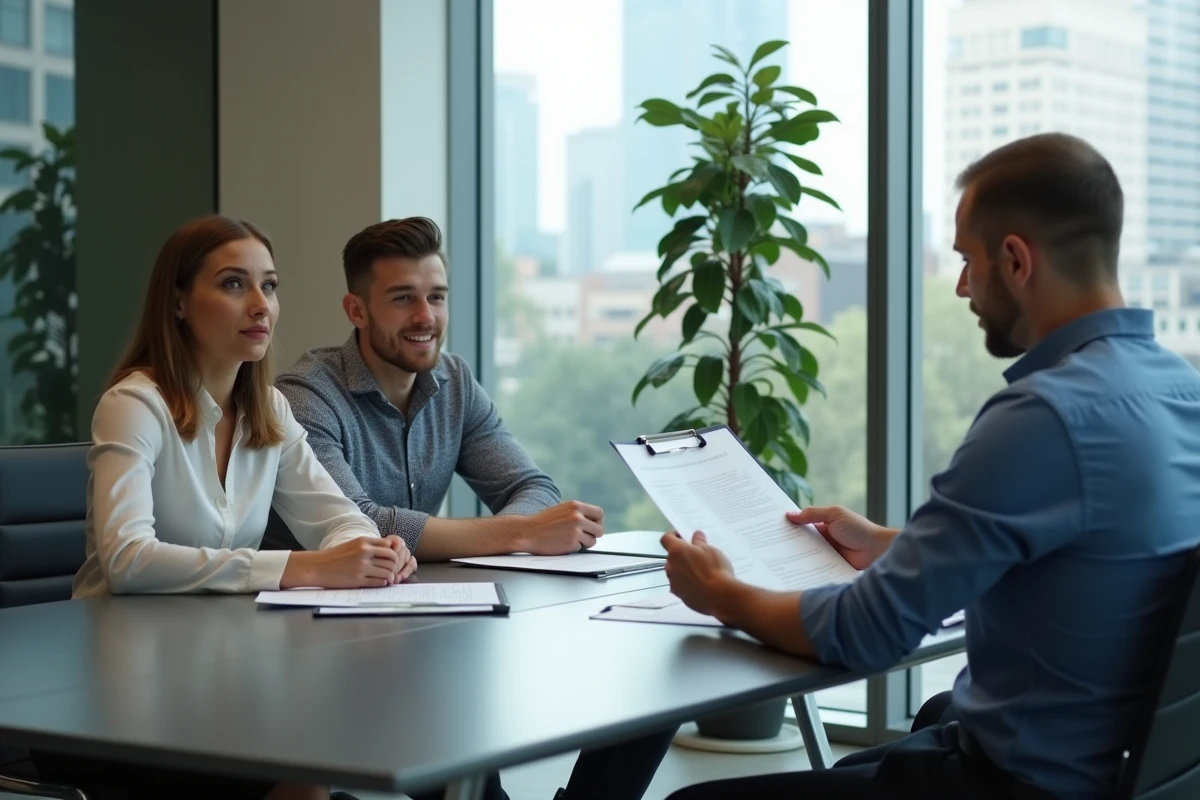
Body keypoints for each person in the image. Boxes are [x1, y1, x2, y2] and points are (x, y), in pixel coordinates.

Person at [659, 132, 1200, 799]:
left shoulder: (1044, 418)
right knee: (921, 727)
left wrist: (720, 594)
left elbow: (868, 634)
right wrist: (896, 546)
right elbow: (1090, 557)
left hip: (1014, 784)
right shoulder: (1178, 388)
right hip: (1112, 770)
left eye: (969, 261)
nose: (964, 287)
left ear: (1016, 259)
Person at [266, 217, 675, 800]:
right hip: (321, 649)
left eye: (436, 297)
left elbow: (531, 486)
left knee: (646, 681)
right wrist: (522, 533)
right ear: (356, 311)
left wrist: (528, 528)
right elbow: (361, 526)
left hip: (422, 629)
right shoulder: (307, 395)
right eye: (402, 298)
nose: (425, 317)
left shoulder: (453, 382)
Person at [38, 215, 416, 800]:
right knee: (313, 778)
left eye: (269, 285)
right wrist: (299, 568)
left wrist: (372, 549)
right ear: (180, 303)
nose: (261, 305)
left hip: (216, 681)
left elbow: (336, 516)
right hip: (113, 704)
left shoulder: (267, 409)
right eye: (234, 285)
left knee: (375, 741)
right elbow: (128, 559)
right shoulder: (135, 405)